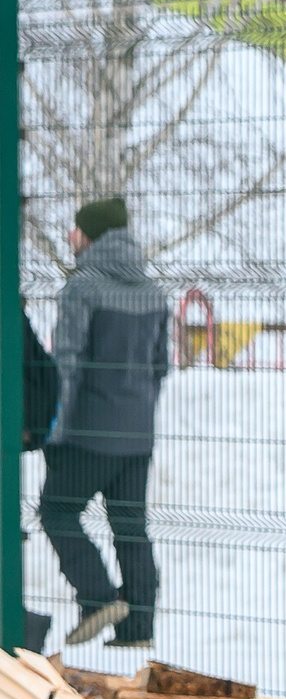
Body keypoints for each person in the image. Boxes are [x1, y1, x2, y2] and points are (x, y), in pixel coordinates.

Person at [43, 197, 169, 649]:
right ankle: (138, 627)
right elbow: (160, 368)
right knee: (130, 526)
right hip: (137, 435)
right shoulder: (154, 292)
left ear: (91, 235)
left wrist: (55, 430)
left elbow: (68, 365)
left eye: (75, 230)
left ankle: (97, 598)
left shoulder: (84, 287)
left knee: (56, 509)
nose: (70, 237)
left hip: (90, 432)